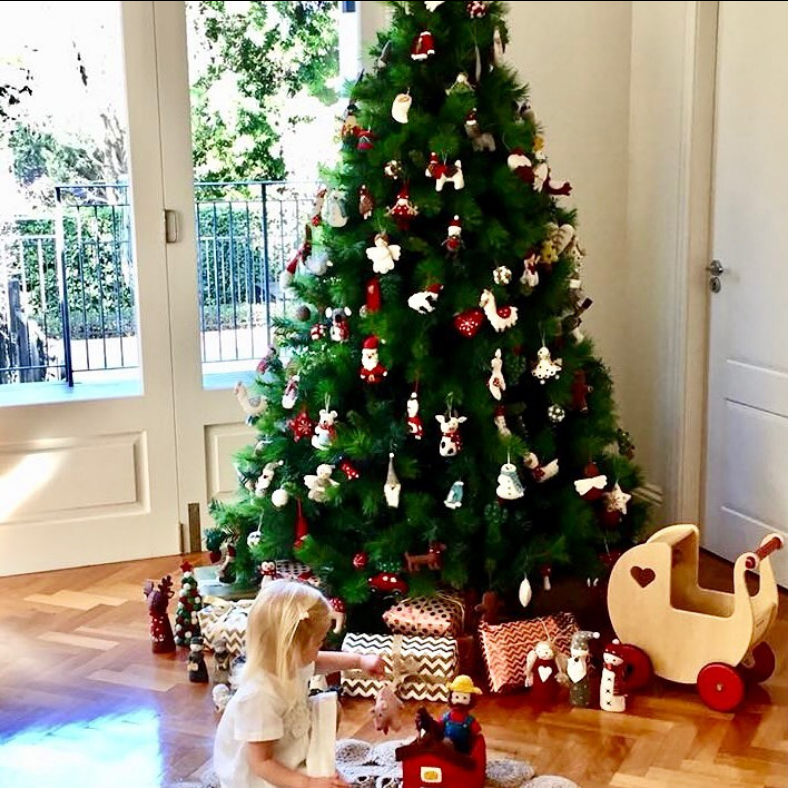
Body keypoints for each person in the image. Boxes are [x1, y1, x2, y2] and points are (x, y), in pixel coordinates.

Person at [213, 579, 385, 788]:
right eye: (319, 642)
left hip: (284, 737)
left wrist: (359, 661)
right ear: (291, 648)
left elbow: (317, 661)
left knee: (331, 708)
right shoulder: (258, 696)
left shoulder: (288, 660)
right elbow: (261, 763)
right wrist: (308, 783)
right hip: (257, 775)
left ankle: (304, 765)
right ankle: (300, 773)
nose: (322, 646)